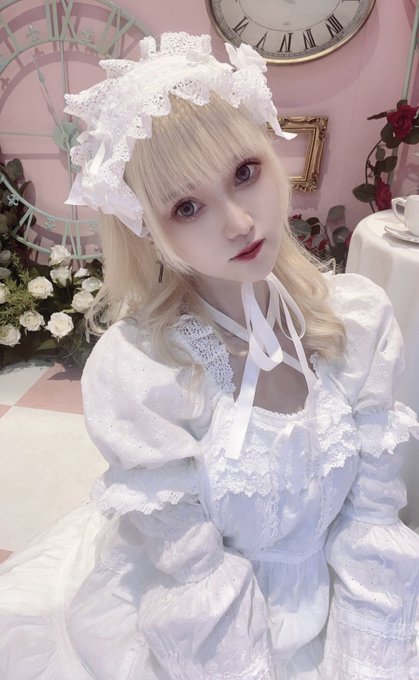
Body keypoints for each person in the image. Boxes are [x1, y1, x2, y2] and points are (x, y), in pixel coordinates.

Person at [0, 31, 418, 680]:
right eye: (187, 206)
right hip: (203, 639)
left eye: (244, 173)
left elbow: (371, 520)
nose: (238, 223)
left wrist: (368, 663)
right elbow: (194, 579)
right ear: (148, 229)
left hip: (335, 603)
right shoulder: (145, 372)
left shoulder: (355, 322)